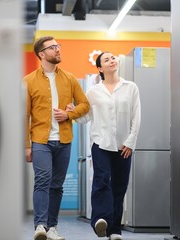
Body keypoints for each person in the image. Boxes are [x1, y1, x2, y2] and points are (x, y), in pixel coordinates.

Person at [67, 52, 141, 240]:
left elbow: (136, 116)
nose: (112, 61)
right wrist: (73, 112)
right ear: (100, 68)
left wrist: (131, 141)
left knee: (119, 186)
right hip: (101, 144)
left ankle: (114, 230)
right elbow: (86, 117)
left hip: (124, 145)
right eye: (106, 59)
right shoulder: (93, 92)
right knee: (102, 179)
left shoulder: (130, 87)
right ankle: (101, 219)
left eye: (113, 58)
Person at [24, 36, 90, 240]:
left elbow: (84, 105)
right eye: (53, 47)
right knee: (42, 181)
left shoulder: (69, 78)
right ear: (41, 54)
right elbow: (24, 115)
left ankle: (52, 227)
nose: (58, 49)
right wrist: (26, 146)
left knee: (57, 185)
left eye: (58, 46)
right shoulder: (28, 81)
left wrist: (68, 114)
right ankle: (40, 226)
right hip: (40, 140)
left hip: (64, 140)